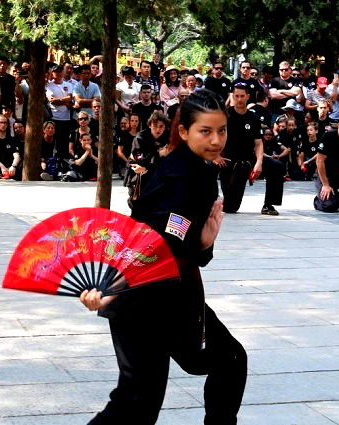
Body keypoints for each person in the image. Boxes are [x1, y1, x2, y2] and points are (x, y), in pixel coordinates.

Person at [81, 89, 246, 424]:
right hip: (142, 297)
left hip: (170, 292)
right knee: (137, 401)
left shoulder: (196, 169)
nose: (216, 140)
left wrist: (203, 243)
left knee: (227, 359)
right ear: (184, 131)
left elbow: (178, 236)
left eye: (222, 130)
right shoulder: (182, 175)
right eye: (206, 131)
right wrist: (114, 288)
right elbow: (152, 236)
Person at [217, 83, 285, 215]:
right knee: (230, 208)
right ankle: (215, 201)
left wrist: (259, 163)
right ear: (232, 96)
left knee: (276, 166)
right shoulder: (224, 116)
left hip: (248, 158)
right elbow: (213, 138)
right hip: (228, 160)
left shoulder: (253, 118)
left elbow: (258, 143)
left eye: (242, 96)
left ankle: (268, 205)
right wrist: (216, 156)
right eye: (236, 96)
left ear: (248, 96)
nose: (239, 99)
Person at [314, 114, 339, 212]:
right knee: (330, 206)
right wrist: (325, 185)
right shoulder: (329, 136)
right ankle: (319, 200)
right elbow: (319, 161)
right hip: (325, 175)